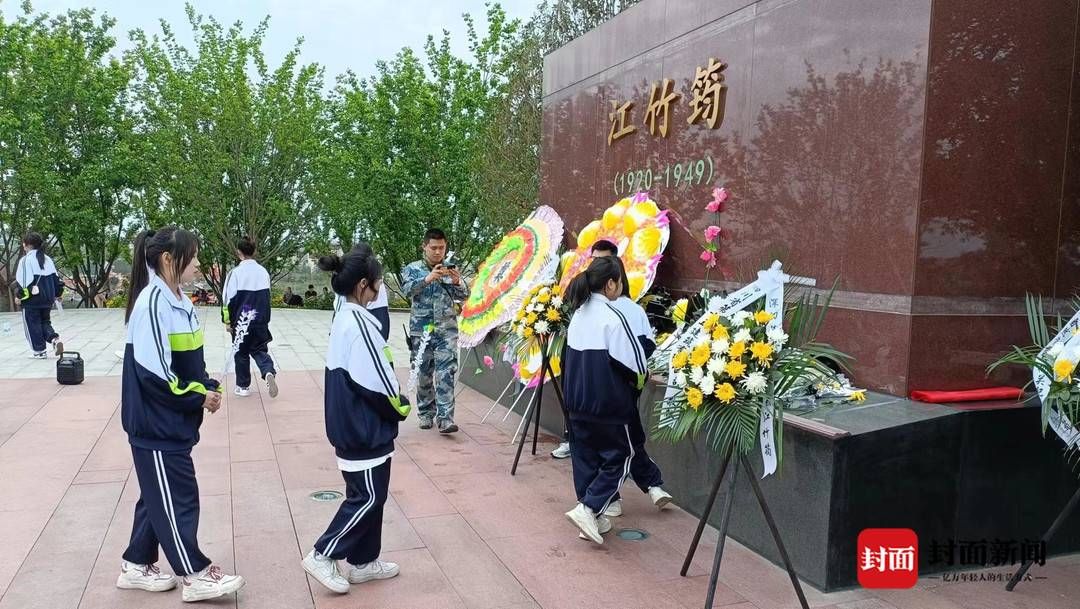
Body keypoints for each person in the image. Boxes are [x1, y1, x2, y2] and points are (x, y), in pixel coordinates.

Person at [117, 227, 244, 602]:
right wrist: (197, 397)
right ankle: (194, 572)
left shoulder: (177, 301)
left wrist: (205, 384)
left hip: (172, 420)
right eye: (194, 255)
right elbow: (155, 376)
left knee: (158, 494)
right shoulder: (154, 302)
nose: (199, 263)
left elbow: (184, 363)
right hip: (156, 422)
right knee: (179, 495)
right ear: (169, 259)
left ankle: (136, 565)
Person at [302, 245, 410, 594]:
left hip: (355, 424)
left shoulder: (346, 317)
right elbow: (378, 382)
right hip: (362, 427)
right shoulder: (360, 324)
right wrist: (400, 406)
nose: (380, 290)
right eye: (378, 283)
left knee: (369, 493)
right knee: (367, 497)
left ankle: (363, 561)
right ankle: (324, 552)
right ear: (364, 285)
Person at [560, 256, 649, 544]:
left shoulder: (578, 315)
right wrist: (639, 383)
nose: (620, 287)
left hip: (576, 405)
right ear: (611, 284)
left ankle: (592, 517)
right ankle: (589, 508)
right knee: (620, 457)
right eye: (620, 282)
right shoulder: (613, 317)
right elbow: (636, 365)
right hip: (608, 406)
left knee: (585, 459)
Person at [551, 239, 621, 459]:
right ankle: (570, 438)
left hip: (601, 355)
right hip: (575, 349)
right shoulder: (580, 283)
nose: (597, 265)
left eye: (603, 260)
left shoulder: (617, 286)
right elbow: (564, 308)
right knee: (573, 396)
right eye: (595, 260)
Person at [400, 228, 467, 433]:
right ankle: (426, 413)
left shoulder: (450, 268)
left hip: (446, 330)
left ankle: (446, 418)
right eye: (434, 248)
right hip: (422, 330)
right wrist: (427, 278)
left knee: (446, 372)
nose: (438, 252)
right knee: (423, 372)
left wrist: (457, 281)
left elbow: (464, 296)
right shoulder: (413, 269)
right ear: (425, 247)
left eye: (442, 248)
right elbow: (407, 290)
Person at [221, 236, 278, 399]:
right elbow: (267, 297)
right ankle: (268, 371)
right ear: (255, 251)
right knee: (260, 349)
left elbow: (227, 300)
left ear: (239, 252)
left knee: (241, 353)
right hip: (260, 320)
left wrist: (227, 320)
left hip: (242, 320)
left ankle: (243, 386)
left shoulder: (235, 273)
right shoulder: (263, 272)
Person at [15, 233, 63, 359]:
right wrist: (58, 294)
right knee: (45, 322)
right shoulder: (47, 259)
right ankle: (54, 339)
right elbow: (57, 280)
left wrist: (19, 297)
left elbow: (24, 283)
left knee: (33, 324)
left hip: (32, 300)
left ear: (25, 245)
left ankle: (39, 351)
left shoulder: (25, 260)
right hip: (48, 298)